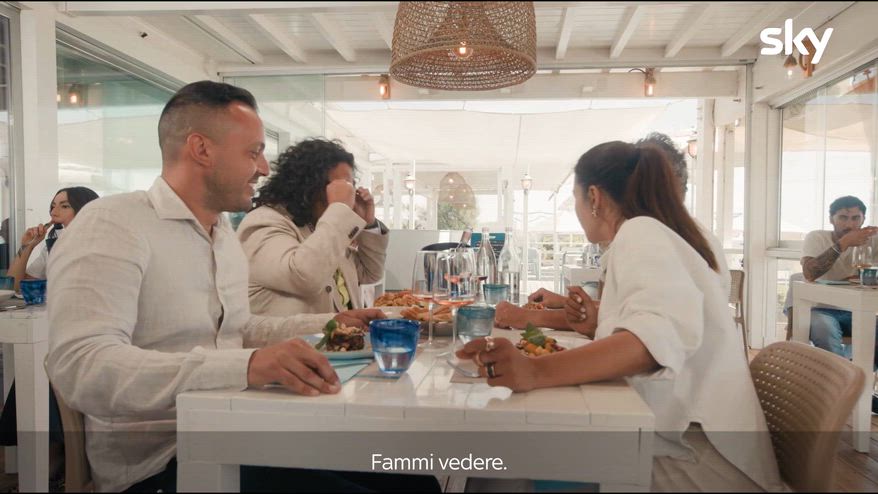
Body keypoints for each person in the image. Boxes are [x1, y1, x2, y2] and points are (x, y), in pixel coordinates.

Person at [45, 81, 436, 492]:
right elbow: (81, 367)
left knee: (414, 481)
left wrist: (330, 323)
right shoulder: (113, 223)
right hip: (164, 461)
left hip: (243, 427)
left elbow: (239, 329)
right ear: (201, 149)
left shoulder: (221, 234)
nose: (264, 168)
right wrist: (246, 366)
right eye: (253, 152)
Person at [458, 141, 783, 491]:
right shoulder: (651, 233)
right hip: (687, 440)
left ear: (594, 197)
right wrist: (595, 324)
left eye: (576, 198)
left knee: (503, 462)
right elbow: (655, 323)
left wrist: (534, 371)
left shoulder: (641, 232)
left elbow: (650, 342)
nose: (577, 210)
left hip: (700, 464)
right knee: (511, 457)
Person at [238, 138, 388, 317]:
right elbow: (304, 278)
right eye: (340, 186)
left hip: (341, 334)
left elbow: (370, 274)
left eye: (350, 187)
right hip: (293, 335)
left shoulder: (322, 225)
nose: (348, 195)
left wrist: (368, 224)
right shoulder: (264, 222)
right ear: (308, 185)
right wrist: (339, 210)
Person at [800, 195, 878, 367]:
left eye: (855, 218)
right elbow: (810, 273)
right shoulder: (816, 237)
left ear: (863, 219)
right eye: (843, 217)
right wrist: (843, 243)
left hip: (859, 310)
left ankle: (859, 377)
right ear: (831, 219)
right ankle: (842, 377)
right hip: (819, 309)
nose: (849, 224)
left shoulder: (872, 240)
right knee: (824, 328)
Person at [7, 187, 99, 291]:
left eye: (64, 206)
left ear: (86, 210)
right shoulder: (54, 246)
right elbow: (15, 287)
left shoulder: (103, 246)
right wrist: (27, 246)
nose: (53, 213)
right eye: (53, 206)